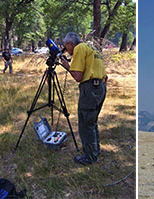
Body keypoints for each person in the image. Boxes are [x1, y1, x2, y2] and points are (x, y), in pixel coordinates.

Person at [59, 32, 107, 165]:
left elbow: (78, 77)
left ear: (70, 44)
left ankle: (90, 157)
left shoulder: (79, 48)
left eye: (66, 46)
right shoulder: (91, 47)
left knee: (85, 124)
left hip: (90, 89)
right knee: (92, 122)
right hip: (100, 87)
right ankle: (95, 150)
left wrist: (67, 66)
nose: (66, 50)